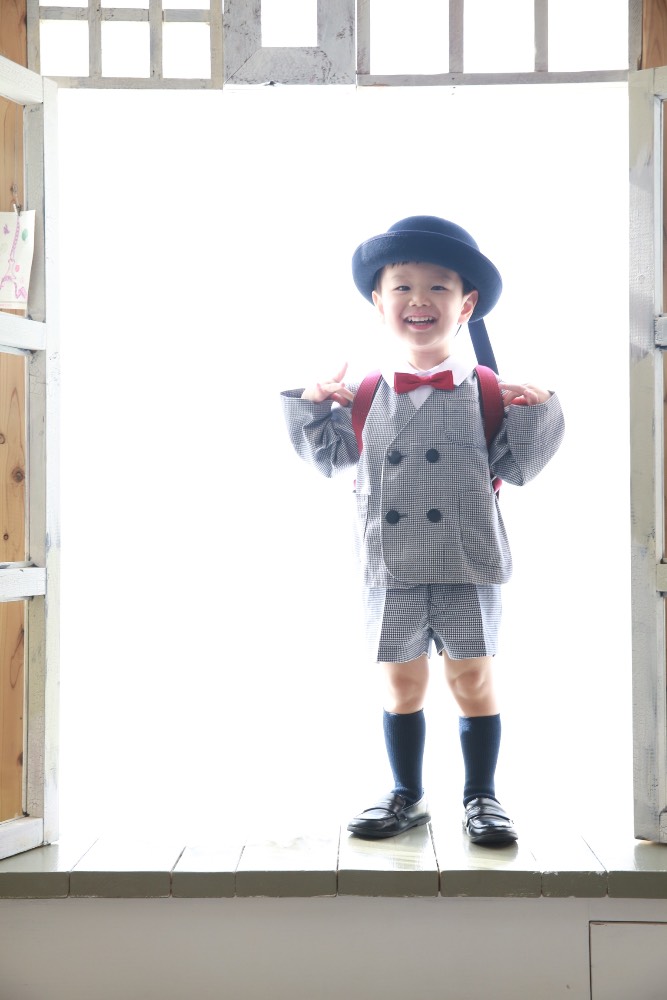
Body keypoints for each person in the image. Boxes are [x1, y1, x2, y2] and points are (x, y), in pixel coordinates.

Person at [280, 216, 564, 846]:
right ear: (378, 302)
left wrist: (541, 410)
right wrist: (312, 404)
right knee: (401, 681)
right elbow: (329, 459)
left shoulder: (488, 391)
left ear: (466, 305)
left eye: (438, 286)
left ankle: (482, 796)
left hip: (469, 563)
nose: (419, 299)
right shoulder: (364, 394)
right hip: (390, 566)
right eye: (402, 286)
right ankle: (406, 793)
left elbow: (519, 468)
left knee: (472, 679)